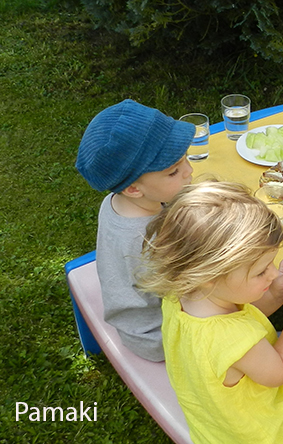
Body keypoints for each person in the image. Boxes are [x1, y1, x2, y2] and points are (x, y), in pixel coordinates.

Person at [135, 181, 283, 444]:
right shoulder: (232, 340)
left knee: (280, 340)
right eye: (261, 271)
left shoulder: (184, 295)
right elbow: (280, 371)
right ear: (210, 276)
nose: (273, 273)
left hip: (217, 421)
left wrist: (273, 293)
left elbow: (245, 314)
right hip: (257, 432)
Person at [75, 99, 197, 361]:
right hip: (159, 335)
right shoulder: (152, 241)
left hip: (137, 314)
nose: (189, 171)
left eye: (185, 159)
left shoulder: (120, 200)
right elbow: (198, 294)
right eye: (174, 171)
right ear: (134, 188)